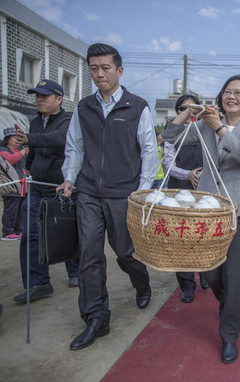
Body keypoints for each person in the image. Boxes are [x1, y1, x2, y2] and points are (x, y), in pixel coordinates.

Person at [58, 43, 158, 351]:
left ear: (119, 71)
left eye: (105, 68)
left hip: (123, 193)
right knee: (88, 255)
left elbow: (149, 152)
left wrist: (140, 193)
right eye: (94, 69)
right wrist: (70, 178)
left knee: (126, 251)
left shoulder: (136, 106)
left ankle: (141, 282)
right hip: (88, 191)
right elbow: (75, 147)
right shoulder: (84, 108)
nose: (99, 74)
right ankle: (96, 319)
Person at [162, 74, 240, 364]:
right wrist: (188, 111)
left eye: (238, 93)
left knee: (235, 276)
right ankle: (227, 303)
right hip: (209, 210)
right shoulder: (204, 126)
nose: (231, 97)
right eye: (227, 92)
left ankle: (229, 334)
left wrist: (219, 128)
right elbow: (169, 137)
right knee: (210, 272)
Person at [12, 80, 80, 305]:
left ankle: (76, 272)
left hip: (61, 189)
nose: (39, 99)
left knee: (66, 232)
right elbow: (34, 150)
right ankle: (38, 283)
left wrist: (30, 139)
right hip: (37, 187)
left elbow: (58, 140)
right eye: (37, 95)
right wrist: (28, 166)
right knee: (31, 233)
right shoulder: (34, 121)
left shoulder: (69, 121)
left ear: (59, 99)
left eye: (44, 96)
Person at [162, 94, 209, 302]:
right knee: (181, 240)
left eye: (192, 108)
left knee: (203, 236)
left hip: (205, 192)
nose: (187, 111)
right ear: (177, 111)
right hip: (178, 191)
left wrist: (203, 176)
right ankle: (187, 284)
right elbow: (167, 164)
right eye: (183, 108)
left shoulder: (206, 130)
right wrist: (187, 174)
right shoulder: (171, 133)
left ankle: (206, 273)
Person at [1, 127, 27, 241]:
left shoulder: (22, 149)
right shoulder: (3, 150)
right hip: (11, 187)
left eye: (19, 137)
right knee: (11, 210)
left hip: (23, 187)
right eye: (14, 137)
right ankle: (7, 232)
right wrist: (23, 152)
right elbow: (11, 160)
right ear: (7, 139)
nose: (17, 140)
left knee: (21, 209)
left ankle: (18, 230)